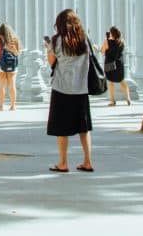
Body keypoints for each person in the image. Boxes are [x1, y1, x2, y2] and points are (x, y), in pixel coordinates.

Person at [45, 9, 94, 172]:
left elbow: (52, 62)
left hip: (62, 89)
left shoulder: (57, 40)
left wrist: (48, 49)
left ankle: (63, 162)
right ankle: (87, 161)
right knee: (83, 128)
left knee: (61, 128)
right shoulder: (84, 40)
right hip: (81, 89)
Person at [0, 23, 21, 111]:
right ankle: (13, 106)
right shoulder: (14, 39)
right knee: (12, 85)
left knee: (1, 86)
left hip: (0, 64)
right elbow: (18, 53)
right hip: (12, 64)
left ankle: (1, 106)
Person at [99, 26, 130, 106]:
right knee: (122, 81)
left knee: (111, 82)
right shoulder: (122, 41)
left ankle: (113, 101)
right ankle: (128, 99)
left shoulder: (107, 41)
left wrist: (97, 48)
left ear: (111, 33)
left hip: (109, 63)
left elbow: (102, 51)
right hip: (119, 63)